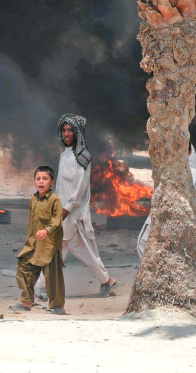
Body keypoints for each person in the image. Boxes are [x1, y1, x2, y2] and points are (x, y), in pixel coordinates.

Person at [51, 114, 118, 296]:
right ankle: (107, 280)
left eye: (70, 130)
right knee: (62, 250)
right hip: (62, 213)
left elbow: (79, 189)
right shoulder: (64, 155)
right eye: (64, 130)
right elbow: (60, 186)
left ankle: (106, 280)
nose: (66, 133)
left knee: (78, 251)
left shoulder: (82, 156)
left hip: (73, 214)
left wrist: (65, 211)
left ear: (77, 132)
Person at [12, 166, 65, 314]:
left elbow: (57, 221)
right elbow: (31, 223)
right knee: (23, 267)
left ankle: (57, 306)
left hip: (49, 244)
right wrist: (29, 240)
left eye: (45, 179)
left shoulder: (55, 200)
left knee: (52, 276)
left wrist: (46, 230)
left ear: (51, 182)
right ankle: (26, 301)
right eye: (38, 179)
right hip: (33, 244)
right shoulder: (33, 199)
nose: (41, 182)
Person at [137, 144, 196, 259]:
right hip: (164, 215)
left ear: (189, 153)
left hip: (185, 219)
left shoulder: (194, 174)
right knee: (145, 244)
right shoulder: (166, 171)